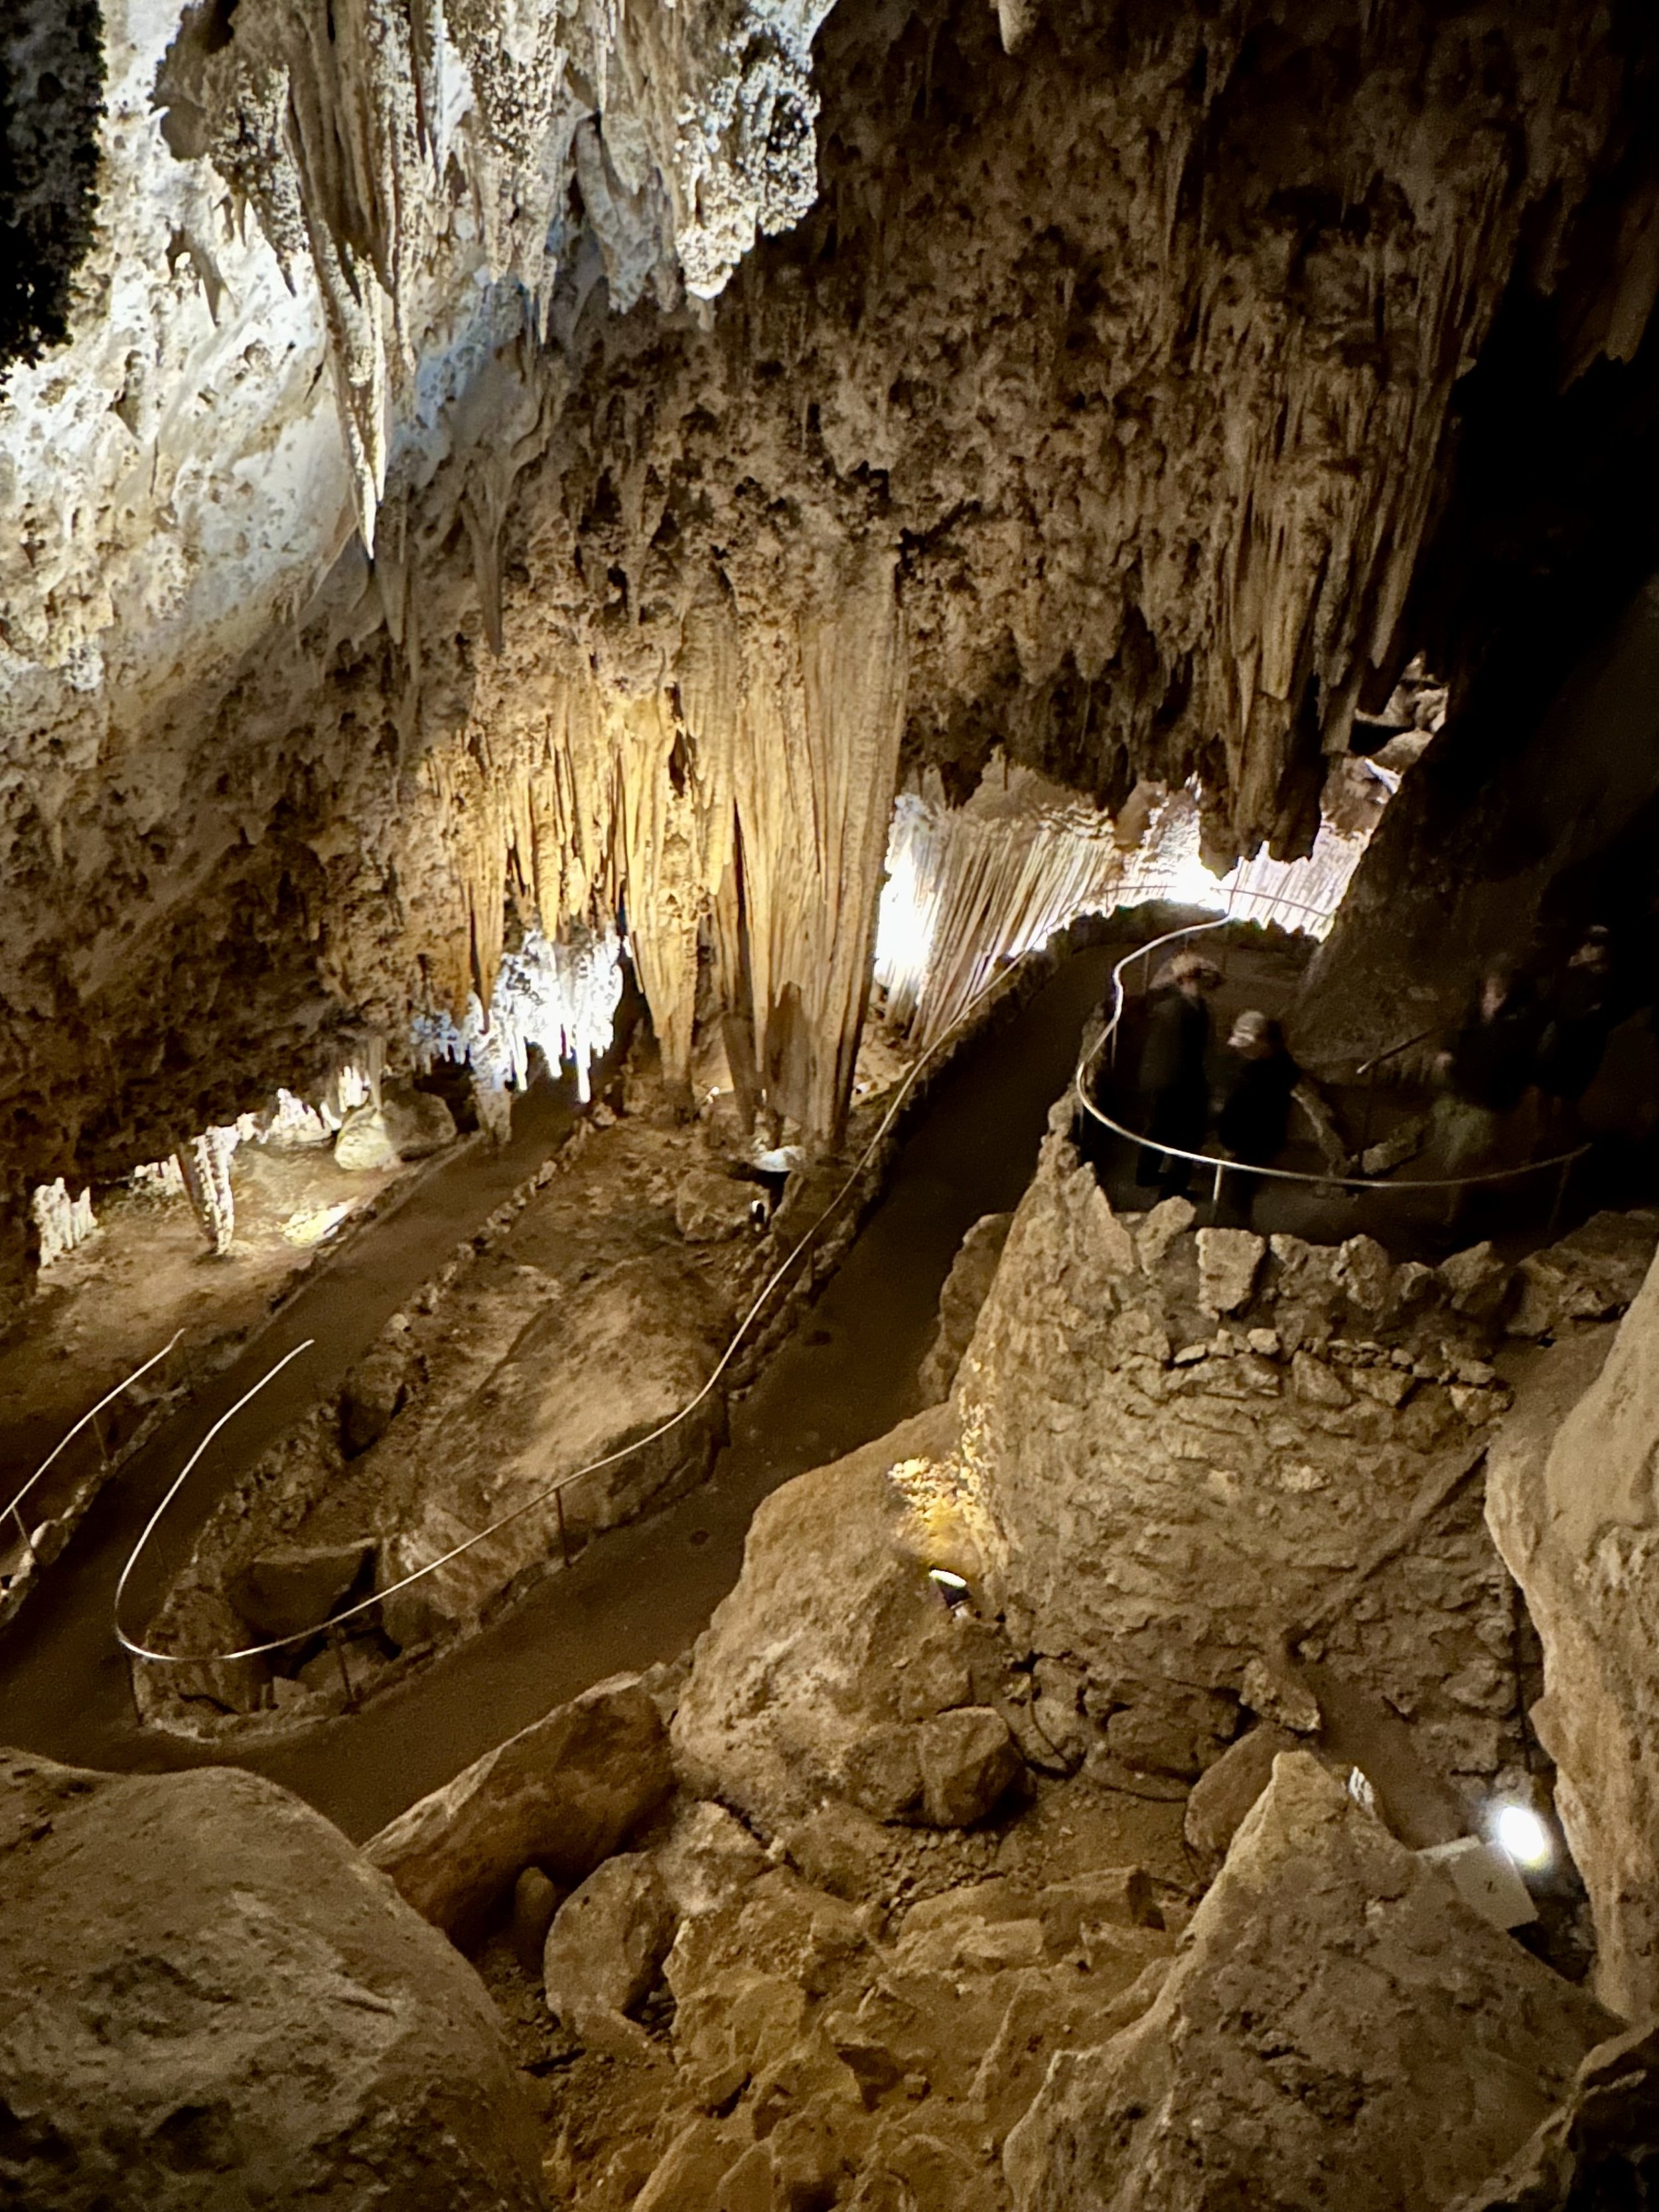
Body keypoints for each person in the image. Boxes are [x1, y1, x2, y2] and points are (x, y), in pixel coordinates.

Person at [1135, 953, 1221, 1197]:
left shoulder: (1187, 1006)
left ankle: (1147, 1174)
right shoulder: (1175, 1010)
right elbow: (1176, 1053)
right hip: (1177, 1083)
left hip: (1171, 1081)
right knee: (1186, 1138)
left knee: (1159, 1129)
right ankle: (1172, 1191)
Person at [1214, 1009, 1300, 1226]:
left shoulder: (1257, 1076)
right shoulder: (1283, 1066)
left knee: (1235, 1197)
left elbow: (1242, 1111)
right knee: (1241, 1196)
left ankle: (1231, 1236)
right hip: (1263, 1141)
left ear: (1263, 1041)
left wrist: (1228, 1141)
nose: (1242, 1051)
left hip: (1248, 1143)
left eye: (1247, 1045)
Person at [1535, 927, 1616, 1135]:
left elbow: (1602, 1010)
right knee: (1548, 1088)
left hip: (1585, 1043)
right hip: (1563, 1039)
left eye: (1596, 944)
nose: (1589, 948)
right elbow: (1558, 1001)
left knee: (1573, 1087)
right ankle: (1542, 1132)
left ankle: (1565, 1124)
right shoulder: (1573, 971)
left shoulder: (1606, 977)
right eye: (1589, 943)